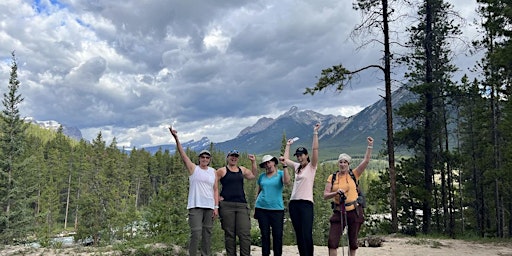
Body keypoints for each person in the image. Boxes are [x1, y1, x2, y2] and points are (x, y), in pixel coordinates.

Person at [169, 127, 219, 256]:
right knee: (196, 232)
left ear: (209, 159)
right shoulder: (193, 169)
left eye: (207, 157)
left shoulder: (213, 171)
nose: (204, 159)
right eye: (202, 157)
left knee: (207, 234)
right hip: (195, 206)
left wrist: (216, 206)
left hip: (209, 206)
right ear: (199, 158)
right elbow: (183, 155)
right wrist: (176, 139)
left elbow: (215, 189)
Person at [323, 136, 374, 256]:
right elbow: (325, 195)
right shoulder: (332, 177)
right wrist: (335, 193)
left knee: (353, 242)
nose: (342, 164)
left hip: (354, 211)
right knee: (332, 241)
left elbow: (366, 161)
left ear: (348, 164)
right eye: (340, 162)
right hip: (338, 211)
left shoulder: (354, 174)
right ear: (338, 164)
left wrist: (370, 146)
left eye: (345, 162)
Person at [282, 123, 320, 256]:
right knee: (298, 233)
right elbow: (285, 160)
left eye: (301, 155)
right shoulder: (297, 167)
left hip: (306, 203)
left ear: (306, 155)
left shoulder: (312, 166)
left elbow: (315, 149)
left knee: (306, 233)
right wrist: (288, 145)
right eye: (297, 155)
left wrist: (315, 133)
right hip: (294, 203)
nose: (299, 157)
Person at [216, 150, 258, 256]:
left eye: (236, 156)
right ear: (228, 157)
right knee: (230, 234)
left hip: (241, 205)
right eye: (232, 156)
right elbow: (213, 184)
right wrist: (216, 198)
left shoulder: (242, 170)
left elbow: (253, 176)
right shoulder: (222, 171)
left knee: (244, 233)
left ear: (237, 158)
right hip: (226, 205)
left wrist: (253, 162)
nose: (234, 158)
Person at [254, 155, 291, 256]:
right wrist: (255, 206)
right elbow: (259, 190)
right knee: (265, 235)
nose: (268, 164)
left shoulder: (280, 174)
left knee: (277, 235)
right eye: (265, 163)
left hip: (277, 209)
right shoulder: (262, 176)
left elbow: (287, 182)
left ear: (274, 162)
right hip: (261, 208)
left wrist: (285, 166)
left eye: (269, 162)